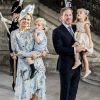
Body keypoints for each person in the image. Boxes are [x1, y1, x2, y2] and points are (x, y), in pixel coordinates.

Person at [11, 4, 47, 100]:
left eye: (28, 19)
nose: (26, 21)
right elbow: (16, 51)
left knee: (37, 94)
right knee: (25, 94)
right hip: (25, 67)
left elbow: (43, 44)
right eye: (24, 19)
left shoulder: (34, 30)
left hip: (38, 65)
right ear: (19, 19)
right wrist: (30, 54)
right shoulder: (14, 33)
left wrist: (43, 52)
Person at [52, 7, 85, 100]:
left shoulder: (76, 27)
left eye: (70, 15)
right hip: (66, 66)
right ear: (61, 17)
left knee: (73, 91)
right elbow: (59, 49)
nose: (68, 17)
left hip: (77, 66)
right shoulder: (57, 31)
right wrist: (75, 50)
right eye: (66, 15)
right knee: (65, 91)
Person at [72, 8, 93, 78]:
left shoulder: (85, 24)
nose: (78, 13)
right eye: (77, 12)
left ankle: (78, 62)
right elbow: (70, 24)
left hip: (84, 40)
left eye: (81, 12)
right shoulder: (77, 22)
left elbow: (89, 34)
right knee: (83, 55)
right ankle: (87, 69)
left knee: (76, 48)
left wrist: (90, 42)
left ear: (85, 15)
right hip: (79, 38)